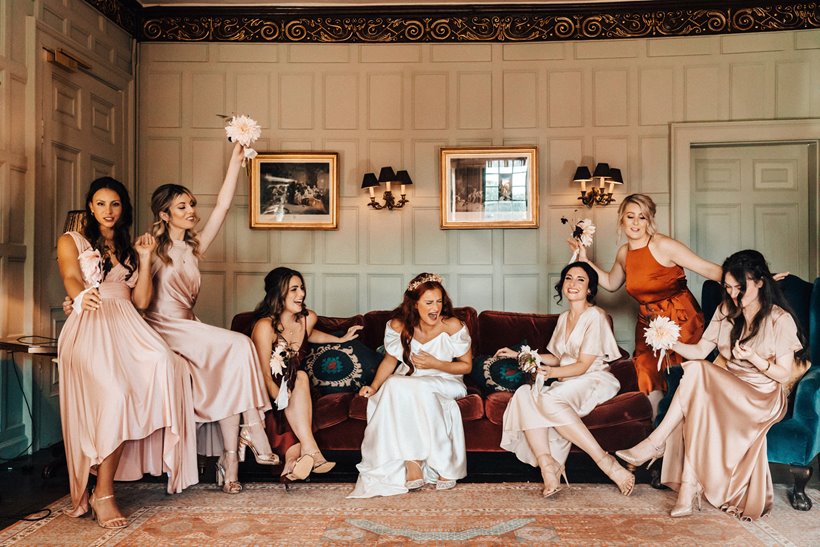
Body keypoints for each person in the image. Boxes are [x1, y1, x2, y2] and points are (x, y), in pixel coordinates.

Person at [616, 250, 808, 520]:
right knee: (697, 390)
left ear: (760, 282)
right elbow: (698, 351)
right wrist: (668, 343)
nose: (733, 294)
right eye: (728, 287)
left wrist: (754, 358)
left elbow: (782, 374)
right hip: (728, 386)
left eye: (740, 287)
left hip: (761, 395)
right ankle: (686, 490)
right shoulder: (725, 310)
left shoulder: (779, 319)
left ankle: (657, 444)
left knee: (696, 375)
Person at [57, 177, 197, 529]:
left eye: (115, 204)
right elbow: (72, 276)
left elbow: (142, 301)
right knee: (116, 397)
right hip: (90, 322)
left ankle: (115, 481)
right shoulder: (70, 240)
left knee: (166, 363)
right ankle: (103, 492)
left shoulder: (131, 249)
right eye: (101, 203)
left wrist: (147, 257)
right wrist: (79, 296)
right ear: (90, 206)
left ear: (124, 209)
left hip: (128, 325)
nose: (108, 211)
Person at [143, 142, 276, 494]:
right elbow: (130, 292)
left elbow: (223, 205)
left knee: (232, 372)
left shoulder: (195, 246)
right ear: (165, 215)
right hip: (164, 329)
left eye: (191, 205)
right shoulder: (151, 250)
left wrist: (235, 161)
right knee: (241, 344)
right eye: (182, 206)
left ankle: (229, 463)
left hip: (190, 326)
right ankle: (254, 430)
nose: (192, 211)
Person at [569, 193, 721, 418]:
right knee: (648, 375)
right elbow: (611, 283)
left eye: (642, 217)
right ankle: (656, 433)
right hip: (648, 324)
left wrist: (755, 279)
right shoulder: (624, 253)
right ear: (622, 219)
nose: (636, 223)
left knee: (681, 376)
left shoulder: (663, 244)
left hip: (681, 318)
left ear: (650, 220)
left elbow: (708, 269)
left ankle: (688, 435)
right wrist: (584, 259)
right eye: (631, 217)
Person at [497, 262, 634, 498]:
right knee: (523, 394)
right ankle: (548, 465)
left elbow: (582, 365)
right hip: (569, 380)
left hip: (594, 378)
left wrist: (550, 374)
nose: (572, 284)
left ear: (590, 288)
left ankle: (605, 462)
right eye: (568, 278)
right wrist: (521, 354)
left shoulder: (595, 316)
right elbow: (559, 358)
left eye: (580, 279)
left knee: (548, 400)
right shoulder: (563, 318)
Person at [349, 273, 472, 498]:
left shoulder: (452, 325)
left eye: (439, 301)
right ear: (414, 304)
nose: (436, 307)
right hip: (411, 381)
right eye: (429, 302)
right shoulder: (398, 325)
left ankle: (441, 463)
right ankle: (411, 460)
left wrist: (437, 363)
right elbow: (390, 360)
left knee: (412, 387)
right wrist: (374, 387)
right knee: (395, 385)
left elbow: (466, 366)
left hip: (446, 380)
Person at [251, 267, 362, 484]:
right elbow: (262, 371)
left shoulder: (307, 318)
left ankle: (293, 464)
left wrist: (339, 340)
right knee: (298, 385)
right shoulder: (265, 326)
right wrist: (279, 400)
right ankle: (311, 453)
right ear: (277, 293)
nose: (301, 294)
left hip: (297, 388)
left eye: (301, 288)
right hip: (269, 391)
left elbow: (309, 335)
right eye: (293, 289)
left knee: (300, 379)